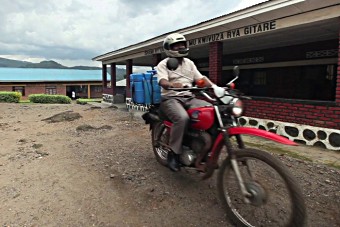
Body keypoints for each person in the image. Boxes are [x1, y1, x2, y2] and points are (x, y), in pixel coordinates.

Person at [156, 33, 217, 172]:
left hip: (188, 97)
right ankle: (174, 154)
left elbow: (200, 79)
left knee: (212, 111)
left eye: (182, 44)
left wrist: (215, 87)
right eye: (176, 45)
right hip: (170, 98)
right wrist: (171, 85)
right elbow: (162, 81)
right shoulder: (164, 64)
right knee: (182, 118)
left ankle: (204, 151)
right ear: (169, 48)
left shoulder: (189, 63)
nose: (180, 47)